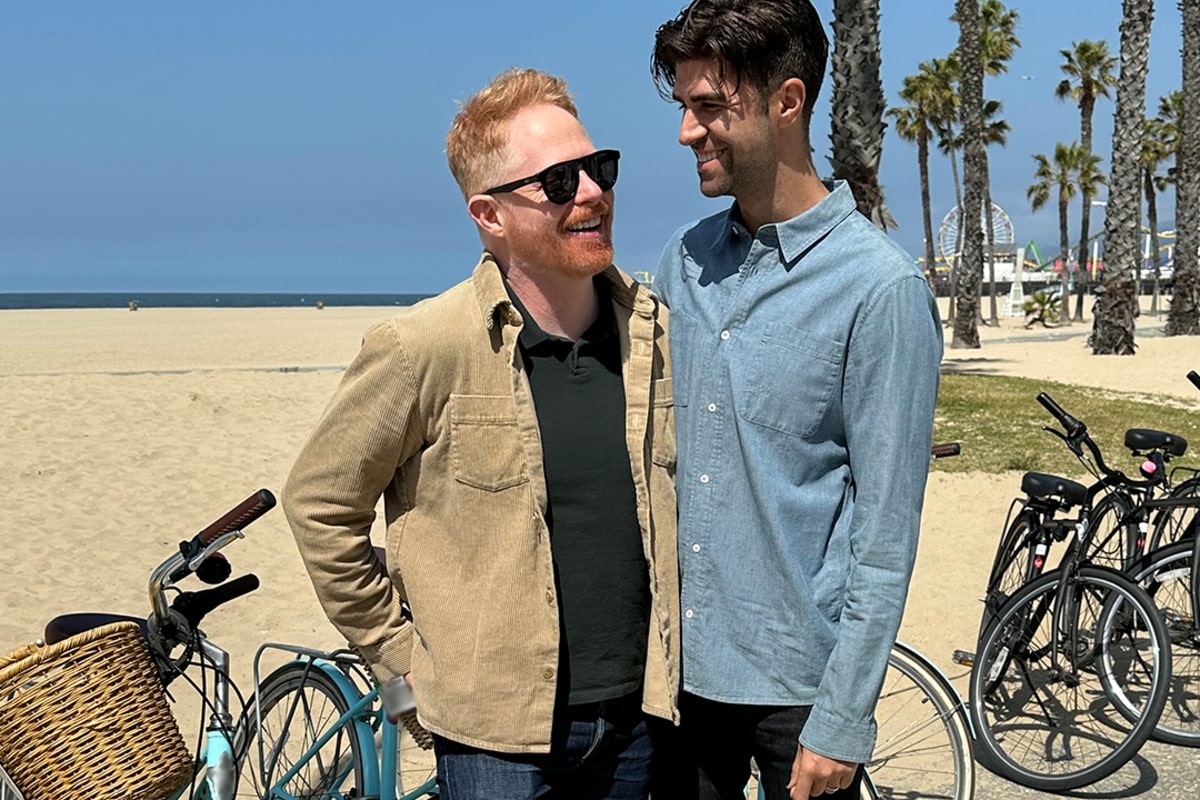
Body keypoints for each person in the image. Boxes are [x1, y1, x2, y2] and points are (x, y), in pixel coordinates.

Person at [282, 67, 679, 800]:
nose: (591, 192)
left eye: (598, 168)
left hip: (642, 720)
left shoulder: (653, 334)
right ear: (490, 216)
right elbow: (318, 503)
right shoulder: (421, 347)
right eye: (558, 182)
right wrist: (399, 658)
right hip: (494, 739)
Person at [649, 2, 943, 798]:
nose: (686, 132)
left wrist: (843, 721)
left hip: (800, 701)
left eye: (710, 107)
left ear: (787, 101)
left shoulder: (880, 290)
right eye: (683, 106)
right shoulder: (681, 262)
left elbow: (886, 535)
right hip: (674, 687)